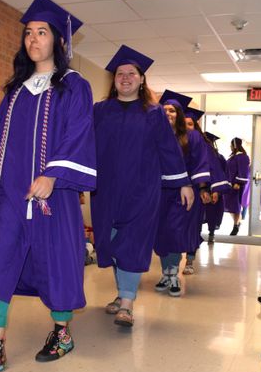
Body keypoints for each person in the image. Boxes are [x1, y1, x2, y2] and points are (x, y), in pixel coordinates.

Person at [0, 0, 96, 372]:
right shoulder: (17, 90)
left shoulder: (74, 86)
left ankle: (61, 331)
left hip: (53, 198)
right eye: (28, 33)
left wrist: (53, 175)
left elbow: (79, 134)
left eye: (41, 32)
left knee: (57, 266)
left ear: (57, 40)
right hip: (10, 197)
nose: (33, 39)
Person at [92, 47, 193, 326]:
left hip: (141, 190)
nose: (125, 78)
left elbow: (169, 149)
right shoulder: (99, 111)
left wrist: (183, 183)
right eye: (120, 74)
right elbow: (84, 146)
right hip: (106, 190)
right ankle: (121, 293)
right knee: (112, 243)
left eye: (131, 74)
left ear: (141, 79)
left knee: (132, 243)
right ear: (114, 80)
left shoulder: (154, 113)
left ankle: (127, 302)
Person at [154, 89, 209, 297]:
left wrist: (202, 188)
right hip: (158, 192)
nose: (168, 113)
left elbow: (200, 163)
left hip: (182, 192)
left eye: (173, 110)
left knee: (175, 231)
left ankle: (173, 273)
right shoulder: (155, 136)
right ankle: (165, 273)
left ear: (179, 114)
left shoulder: (191, 137)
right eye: (164, 110)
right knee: (161, 233)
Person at [184, 111, 229, 271]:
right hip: (175, 189)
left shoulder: (203, 145)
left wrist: (211, 190)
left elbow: (213, 168)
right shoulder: (175, 142)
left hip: (196, 190)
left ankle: (189, 260)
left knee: (193, 226)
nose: (187, 128)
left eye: (190, 124)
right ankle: (171, 265)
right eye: (184, 125)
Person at [223, 138, 250, 235]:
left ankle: (236, 225)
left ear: (234, 145)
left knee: (235, 206)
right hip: (230, 185)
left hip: (236, 186)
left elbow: (243, 171)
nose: (230, 147)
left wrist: (238, 182)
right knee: (231, 206)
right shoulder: (234, 156)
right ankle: (238, 223)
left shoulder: (242, 156)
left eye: (231, 145)